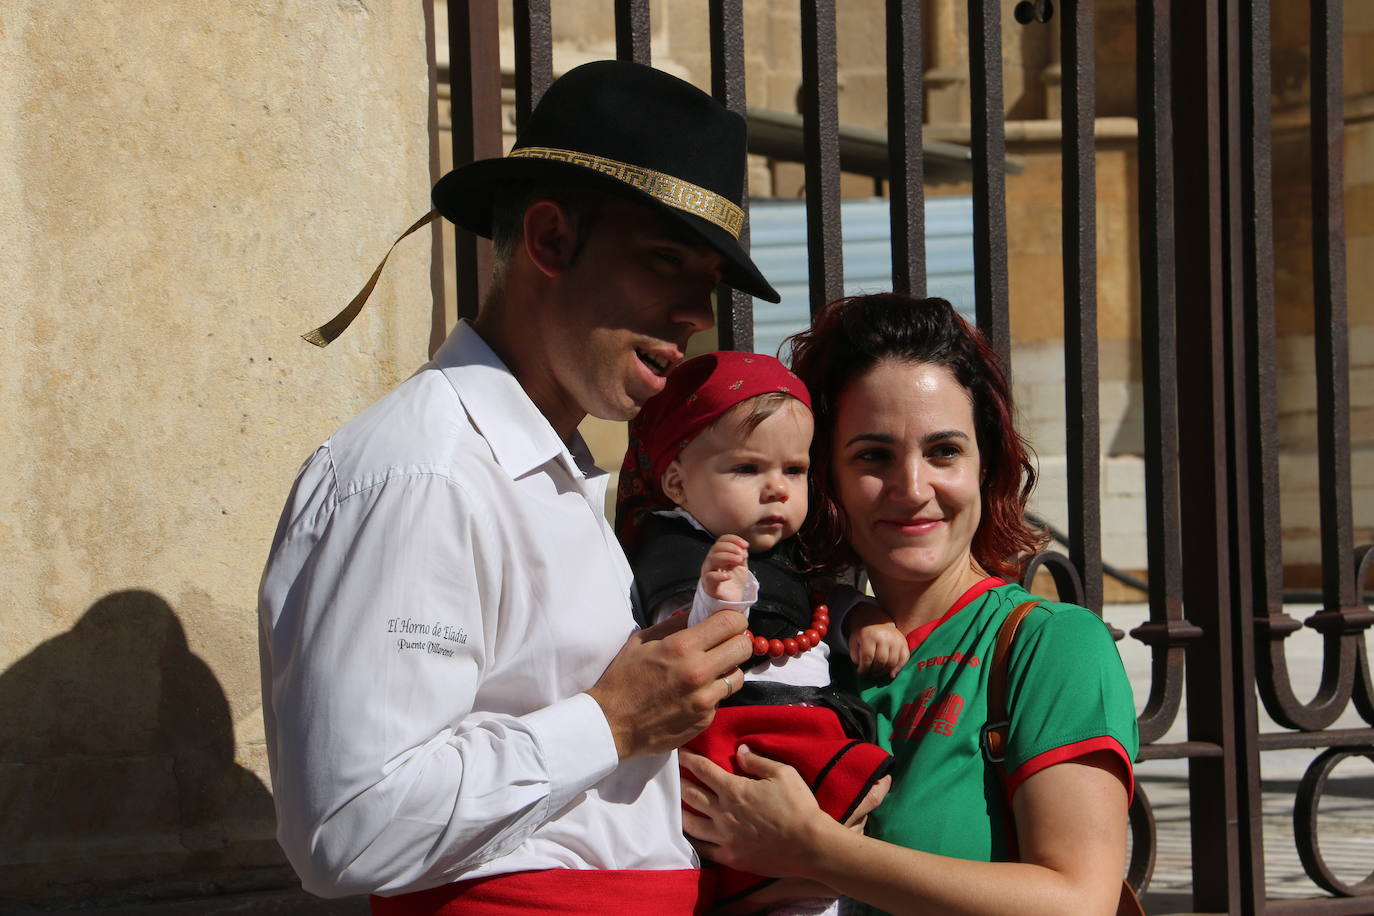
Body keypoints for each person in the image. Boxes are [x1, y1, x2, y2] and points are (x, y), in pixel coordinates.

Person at [258, 61, 789, 915]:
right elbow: (347, 829)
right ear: (548, 241)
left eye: (709, 283)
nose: (696, 311)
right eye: (665, 262)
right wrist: (613, 719)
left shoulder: (547, 469)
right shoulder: (424, 475)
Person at [678, 293, 1140, 915]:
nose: (913, 488)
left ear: (987, 466)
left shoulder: (1051, 645)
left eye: (944, 452)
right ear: (824, 478)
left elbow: (1077, 903)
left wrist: (815, 850)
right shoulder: (798, 656)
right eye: (873, 456)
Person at [614, 351, 900, 913]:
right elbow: (678, 645)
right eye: (747, 469)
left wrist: (856, 616)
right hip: (741, 733)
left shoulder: (784, 553)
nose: (777, 489)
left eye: (794, 471)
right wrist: (717, 601)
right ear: (676, 481)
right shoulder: (680, 553)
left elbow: (812, 601)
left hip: (795, 722)